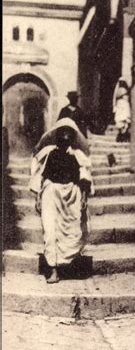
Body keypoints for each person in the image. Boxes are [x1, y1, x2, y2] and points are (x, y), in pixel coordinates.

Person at [29, 118, 92, 284]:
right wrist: (37, 198)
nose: (65, 138)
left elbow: (84, 179)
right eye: (61, 134)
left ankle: (69, 265)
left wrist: (84, 198)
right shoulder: (49, 153)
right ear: (57, 137)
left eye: (68, 134)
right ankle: (53, 269)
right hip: (51, 194)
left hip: (72, 196)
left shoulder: (77, 156)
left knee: (73, 231)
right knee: (50, 231)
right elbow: (41, 176)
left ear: (72, 138)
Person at [112, 78, 131, 142]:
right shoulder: (119, 91)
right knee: (119, 120)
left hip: (124, 106)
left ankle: (124, 136)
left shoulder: (125, 91)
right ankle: (121, 136)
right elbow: (115, 98)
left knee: (125, 120)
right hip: (120, 107)